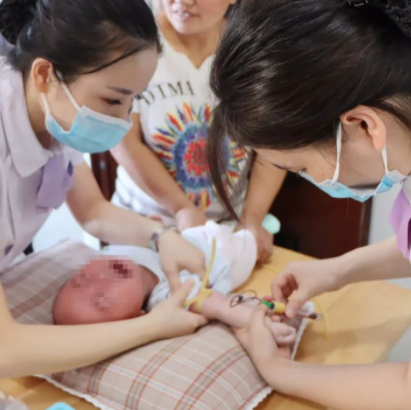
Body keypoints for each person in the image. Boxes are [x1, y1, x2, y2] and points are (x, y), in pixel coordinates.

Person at [206, 0, 411, 409]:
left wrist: (277, 370)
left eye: (301, 168)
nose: (309, 179)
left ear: (363, 125)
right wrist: (337, 270)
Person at [0, 0, 210, 376]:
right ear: (46, 74)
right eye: (113, 100)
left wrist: (161, 236)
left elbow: (93, 212)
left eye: (133, 101)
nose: (123, 120)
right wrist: (150, 327)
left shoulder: (52, 112)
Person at [110, 0, 287, 263]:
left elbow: (274, 146)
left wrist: (250, 221)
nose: (184, 2)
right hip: (144, 225)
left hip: (228, 228)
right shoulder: (131, 43)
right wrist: (181, 207)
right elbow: (125, 142)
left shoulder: (256, 48)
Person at [53, 222, 299, 351]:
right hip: (228, 255)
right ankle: (258, 233)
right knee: (255, 242)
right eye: (102, 299)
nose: (99, 280)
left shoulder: (111, 250)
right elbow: (222, 306)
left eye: (81, 280)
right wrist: (262, 324)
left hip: (194, 232)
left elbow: (147, 228)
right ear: (136, 316)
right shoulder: (168, 296)